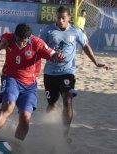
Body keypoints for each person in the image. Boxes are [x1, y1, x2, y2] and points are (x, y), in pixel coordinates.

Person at [0, 23, 65, 149]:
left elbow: (52, 53)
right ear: (15, 36)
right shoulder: (8, 37)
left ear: (29, 37)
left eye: (24, 42)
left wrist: (57, 56)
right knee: (8, 105)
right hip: (11, 77)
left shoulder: (37, 43)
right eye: (18, 40)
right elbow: (0, 44)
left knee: (25, 116)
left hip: (29, 85)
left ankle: (15, 144)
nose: (21, 44)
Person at [40, 6, 108, 142]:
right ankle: (50, 129)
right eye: (58, 17)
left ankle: (64, 134)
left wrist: (96, 62)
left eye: (63, 18)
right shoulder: (48, 30)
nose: (60, 20)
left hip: (67, 72)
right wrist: (52, 56)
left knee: (67, 99)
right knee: (52, 104)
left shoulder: (76, 31)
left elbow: (86, 46)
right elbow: (40, 47)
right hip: (50, 73)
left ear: (69, 18)